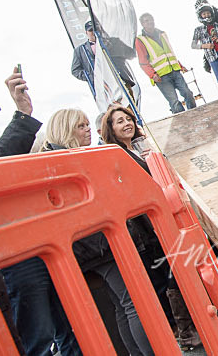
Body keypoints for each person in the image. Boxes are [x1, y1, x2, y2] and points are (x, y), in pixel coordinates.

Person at [41, 109, 153, 356]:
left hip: (84, 248)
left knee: (120, 306)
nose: (87, 129)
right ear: (67, 130)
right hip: (98, 244)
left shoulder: (50, 160)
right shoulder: (68, 161)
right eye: (81, 126)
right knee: (133, 303)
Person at [0, 69, 82, 356]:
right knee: (37, 339)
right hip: (11, 260)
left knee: (70, 326)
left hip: (33, 247)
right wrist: (22, 114)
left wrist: (23, 112)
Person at [100, 106, 201, 349]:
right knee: (171, 275)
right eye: (119, 121)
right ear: (110, 129)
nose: (127, 123)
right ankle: (185, 331)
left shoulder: (138, 147)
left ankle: (193, 324)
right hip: (147, 227)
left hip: (162, 218)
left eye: (128, 119)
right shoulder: (116, 156)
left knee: (181, 269)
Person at [135, 12, 197, 114]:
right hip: (161, 76)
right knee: (174, 102)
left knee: (188, 93)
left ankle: (194, 114)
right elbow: (143, 62)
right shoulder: (140, 40)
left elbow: (170, 53)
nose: (150, 22)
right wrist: (152, 74)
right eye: (146, 21)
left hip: (175, 71)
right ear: (142, 24)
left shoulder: (162, 34)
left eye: (151, 19)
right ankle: (183, 121)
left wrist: (180, 66)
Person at [71, 20, 136, 101]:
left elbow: (131, 53)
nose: (94, 32)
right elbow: (75, 70)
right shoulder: (80, 50)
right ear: (86, 32)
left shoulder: (114, 41)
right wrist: (92, 76)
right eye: (91, 30)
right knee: (114, 109)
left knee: (130, 105)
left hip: (120, 79)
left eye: (96, 29)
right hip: (102, 87)